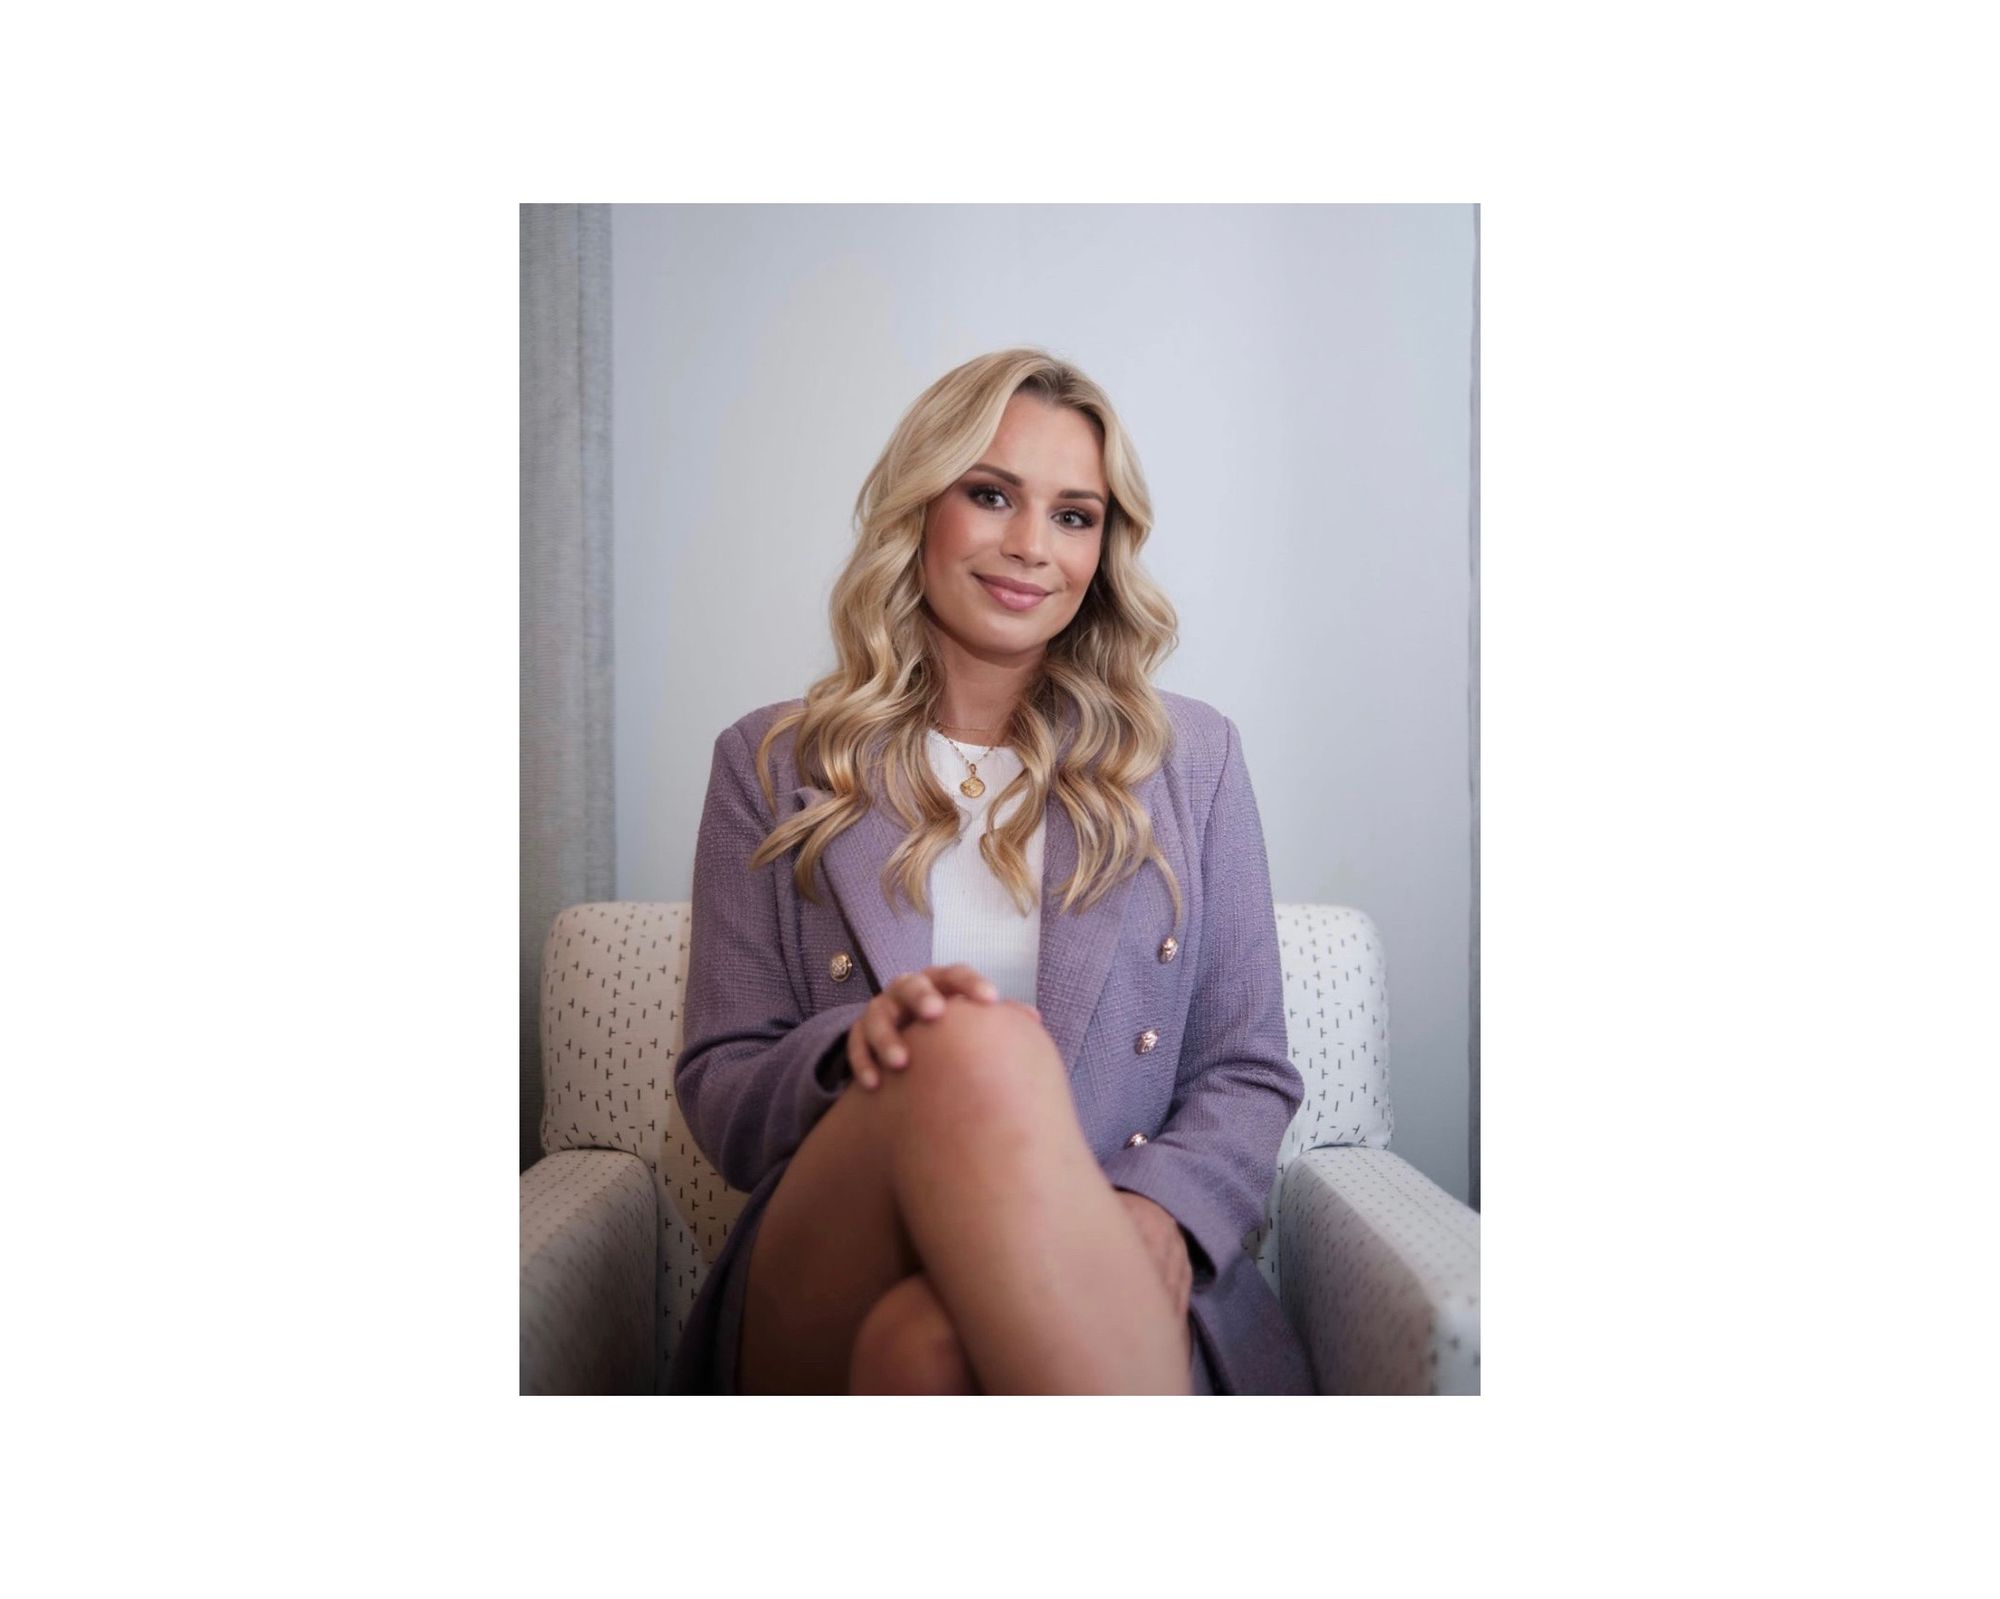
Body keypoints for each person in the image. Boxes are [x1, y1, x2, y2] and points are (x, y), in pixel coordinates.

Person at [666, 348, 1314, 1394]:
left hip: (1095, 1246)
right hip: (832, 1252)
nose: (1030, 547)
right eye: (990, 495)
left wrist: (1162, 1207)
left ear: (1103, 549)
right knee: (970, 1039)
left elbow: (1245, 1068)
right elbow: (721, 1083)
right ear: (921, 505)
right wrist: (858, 1048)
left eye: (1073, 515)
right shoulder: (771, 762)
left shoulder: (1191, 761)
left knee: (925, 1350)